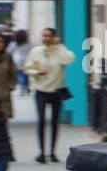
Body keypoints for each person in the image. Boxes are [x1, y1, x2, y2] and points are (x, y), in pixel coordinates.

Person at [23, 26, 75, 163]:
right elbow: (27, 68)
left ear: (54, 38)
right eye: (44, 36)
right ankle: (42, 152)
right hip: (40, 90)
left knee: (54, 122)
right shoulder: (36, 51)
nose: (46, 39)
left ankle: (52, 152)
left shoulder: (60, 51)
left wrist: (60, 46)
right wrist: (36, 72)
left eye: (49, 36)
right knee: (41, 121)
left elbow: (69, 60)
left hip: (56, 90)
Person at [9, 30, 32, 95]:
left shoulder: (14, 44)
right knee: (25, 75)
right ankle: (25, 87)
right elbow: (33, 50)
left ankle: (23, 87)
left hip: (17, 60)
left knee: (20, 75)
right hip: (27, 60)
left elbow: (8, 51)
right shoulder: (29, 44)